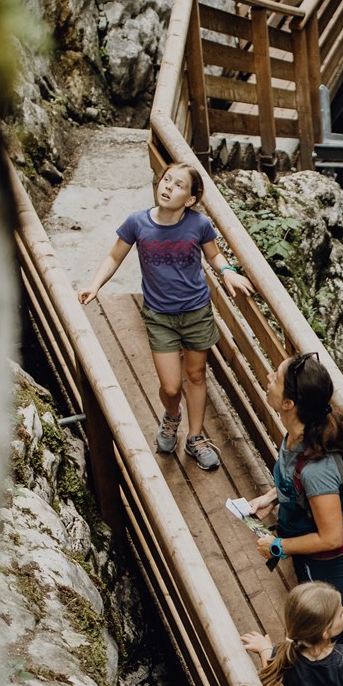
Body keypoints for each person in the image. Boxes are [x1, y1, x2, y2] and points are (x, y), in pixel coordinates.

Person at [78, 162, 252, 472]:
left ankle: (195, 438)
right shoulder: (137, 223)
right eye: (166, 179)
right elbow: (114, 255)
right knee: (171, 387)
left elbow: (213, 254)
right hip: (160, 316)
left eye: (178, 185)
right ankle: (172, 416)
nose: (168, 186)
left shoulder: (198, 224)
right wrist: (94, 285)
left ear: (189, 199)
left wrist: (227, 272)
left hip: (196, 310)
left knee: (197, 376)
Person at [249, 351, 343, 644]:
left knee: (333, 630)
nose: (268, 379)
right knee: (338, 624)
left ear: (289, 404)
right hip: (312, 557)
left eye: (275, 378)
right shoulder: (298, 436)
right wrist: (271, 497)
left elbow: (330, 537)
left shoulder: (318, 469)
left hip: (329, 564)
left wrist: (278, 546)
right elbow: (296, 483)